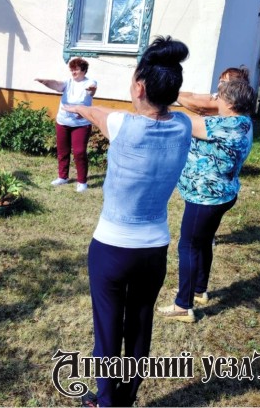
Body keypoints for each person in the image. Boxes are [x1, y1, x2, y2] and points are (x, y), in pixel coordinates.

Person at [62, 36, 192, 407]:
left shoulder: (122, 124)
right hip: (154, 250)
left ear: (139, 86)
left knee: (107, 331)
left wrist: (74, 105)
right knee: (139, 325)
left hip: (112, 249)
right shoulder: (182, 127)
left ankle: (105, 402)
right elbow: (181, 108)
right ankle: (126, 398)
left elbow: (93, 113)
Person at [158, 70, 255, 323]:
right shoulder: (244, 121)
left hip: (207, 198)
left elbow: (182, 121)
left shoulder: (225, 125)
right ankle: (199, 290)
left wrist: (161, 99)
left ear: (231, 103)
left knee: (189, 245)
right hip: (223, 194)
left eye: (220, 97)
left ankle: (183, 305)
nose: (216, 100)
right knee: (202, 242)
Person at [36, 57, 97, 193]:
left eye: (76, 69)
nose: (73, 72)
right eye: (72, 69)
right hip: (63, 121)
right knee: (62, 151)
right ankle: (62, 177)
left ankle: (82, 182)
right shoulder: (68, 82)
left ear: (84, 71)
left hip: (81, 123)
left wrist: (91, 90)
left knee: (79, 152)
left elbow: (91, 91)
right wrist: (45, 82)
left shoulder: (90, 82)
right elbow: (57, 85)